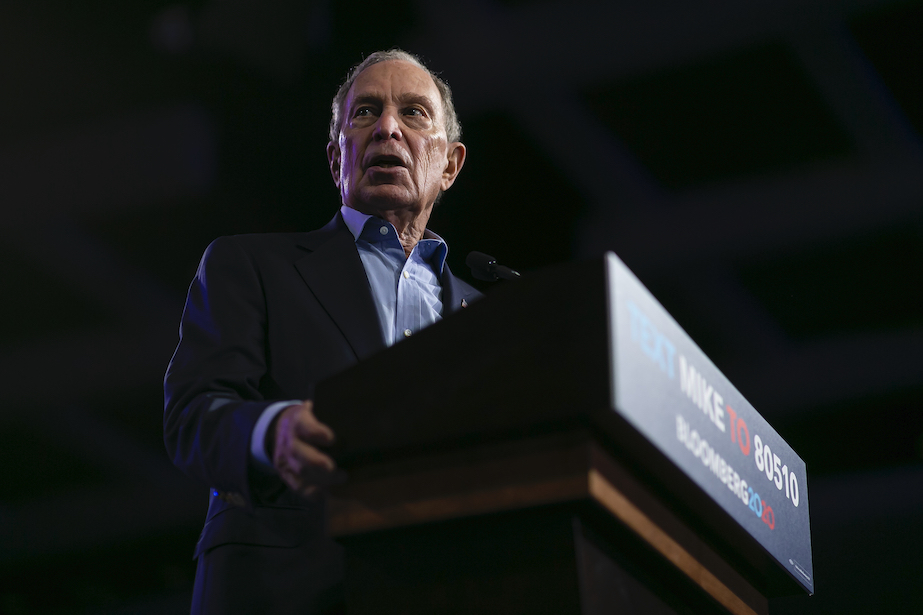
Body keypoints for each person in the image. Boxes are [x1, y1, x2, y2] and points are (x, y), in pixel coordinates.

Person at [163, 49, 481, 614]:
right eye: (364, 113)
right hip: (287, 590)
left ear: (450, 164)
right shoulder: (251, 265)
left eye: (414, 113)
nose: (387, 127)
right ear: (338, 158)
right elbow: (193, 416)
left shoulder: (489, 314)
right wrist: (272, 432)